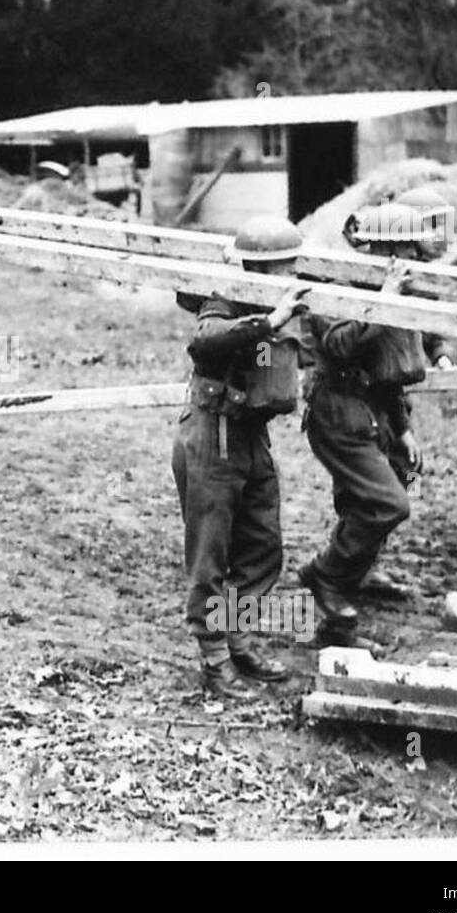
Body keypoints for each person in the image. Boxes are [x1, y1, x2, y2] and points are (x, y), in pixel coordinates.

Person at [298, 208, 453, 649]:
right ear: (384, 249)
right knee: (388, 503)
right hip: (338, 411)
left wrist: (401, 428)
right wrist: (382, 299)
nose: (414, 257)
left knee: (385, 489)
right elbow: (341, 345)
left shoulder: (397, 291)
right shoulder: (337, 289)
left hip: (376, 409)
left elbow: (388, 370)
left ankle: (339, 618)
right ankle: (325, 575)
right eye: (406, 249)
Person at [172, 215, 311, 698]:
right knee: (210, 554)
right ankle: (214, 661)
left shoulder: (286, 306)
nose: (290, 277)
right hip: (213, 436)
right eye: (283, 268)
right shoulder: (223, 302)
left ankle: (236, 634)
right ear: (259, 267)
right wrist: (267, 322)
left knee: (262, 547)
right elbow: (204, 340)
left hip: (251, 438)